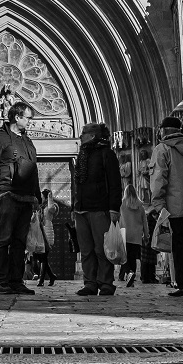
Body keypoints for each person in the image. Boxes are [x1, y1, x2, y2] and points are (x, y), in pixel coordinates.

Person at [0, 100, 41, 295]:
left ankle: (16, 281)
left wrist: (38, 197)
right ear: (17, 117)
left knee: (19, 242)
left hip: (26, 197)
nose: (31, 122)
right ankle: (1, 282)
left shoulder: (27, 141)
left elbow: (33, 170)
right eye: (28, 118)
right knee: (3, 239)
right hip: (7, 193)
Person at [150, 116, 183, 297]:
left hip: (173, 208)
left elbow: (159, 178)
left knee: (178, 247)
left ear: (164, 131)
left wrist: (158, 204)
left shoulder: (163, 149)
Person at [72, 123, 122, 296]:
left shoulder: (106, 154)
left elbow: (115, 183)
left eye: (83, 133)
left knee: (102, 249)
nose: (80, 136)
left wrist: (114, 208)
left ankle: (106, 282)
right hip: (81, 210)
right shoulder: (82, 155)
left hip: (99, 208)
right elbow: (78, 184)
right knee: (86, 250)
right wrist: (75, 206)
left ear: (92, 136)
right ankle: (90, 283)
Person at [118, 182, 145, 287]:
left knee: (124, 257)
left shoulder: (122, 204)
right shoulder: (140, 206)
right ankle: (131, 277)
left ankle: (129, 273)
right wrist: (146, 235)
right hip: (137, 235)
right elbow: (144, 221)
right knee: (132, 257)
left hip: (125, 234)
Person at [33, 189, 58, 286]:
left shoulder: (52, 207)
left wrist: (50, 197)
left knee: (43, 257)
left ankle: (41, 280)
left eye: (43, 197)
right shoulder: (40, 207)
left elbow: (51, 207)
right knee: (40, 257)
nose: (41, 198)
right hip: (40, 233)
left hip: (48, 233)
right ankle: (51, 276)